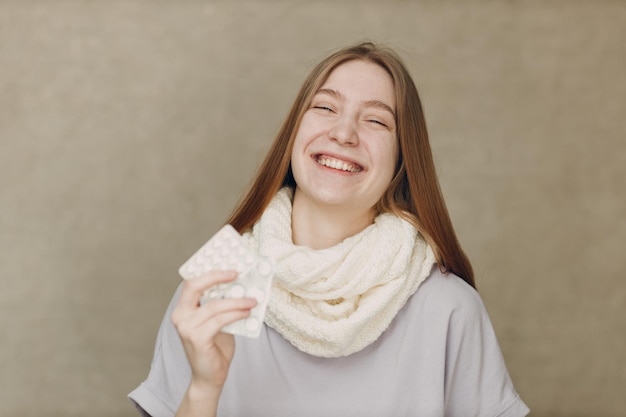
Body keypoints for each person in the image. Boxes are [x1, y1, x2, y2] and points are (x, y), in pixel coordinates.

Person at [129, 41, 530, 417]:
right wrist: (203, 387)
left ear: (402, 162)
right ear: (294, 134)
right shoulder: (209, 296)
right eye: (325, 108)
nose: (343, 133)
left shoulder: (449, 310)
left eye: (375, 120)